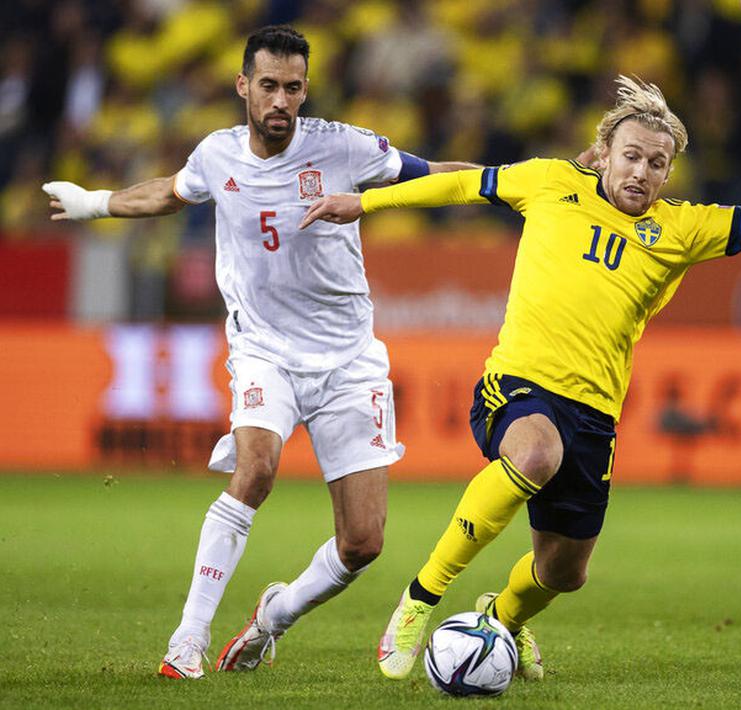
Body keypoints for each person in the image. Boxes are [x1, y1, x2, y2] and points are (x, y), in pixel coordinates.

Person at [301, 75, 741, 683]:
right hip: (516, 386)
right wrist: (367, 203)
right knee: (536, 453)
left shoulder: (682, 229)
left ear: (669, 172)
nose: (642, 172)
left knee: (564, 571)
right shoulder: (550, 182)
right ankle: (420, 599)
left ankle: (502, 616)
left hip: (594, 414)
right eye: (632, 157)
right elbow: (461, 182)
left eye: (657, 163)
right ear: (603, 155)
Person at [42, 25, 474, 680]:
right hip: (263, 350)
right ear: (243, 85)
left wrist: (530, 183)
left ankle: (275, 614)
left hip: (348, 360)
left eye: (292, 88)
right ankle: (187, 638)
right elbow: (170, 190)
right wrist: (95, 203)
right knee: (257, 469)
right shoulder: (217, 156)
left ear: (306, 89)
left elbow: (432, 177)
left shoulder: (345, 146)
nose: (280, 100)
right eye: (267, 86)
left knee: (363, 542)